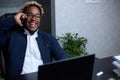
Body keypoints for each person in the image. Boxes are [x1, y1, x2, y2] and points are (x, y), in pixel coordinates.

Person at [0, 1, 68, 78]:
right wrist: (14, 19)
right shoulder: (10, 36)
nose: (33, 19)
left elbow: (64, 60)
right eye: (30, 15)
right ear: (23, 17)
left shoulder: (48, 38)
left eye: (37, 16)